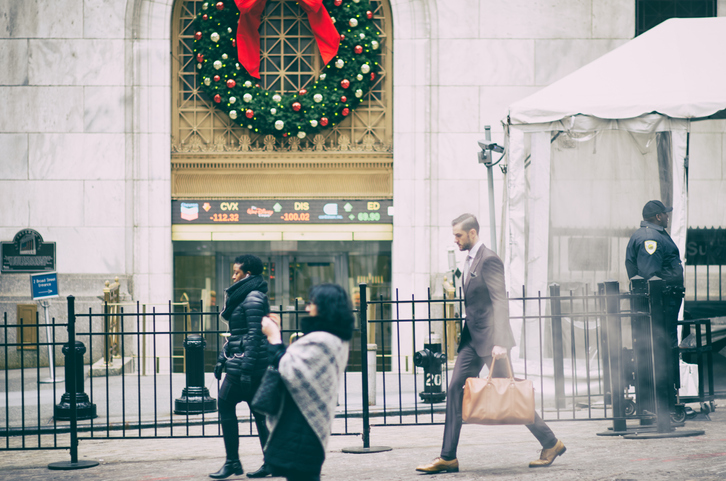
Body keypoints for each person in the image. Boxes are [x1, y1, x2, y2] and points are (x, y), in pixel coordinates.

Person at [416, 214, 565, 474]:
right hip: (471, 340)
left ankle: (550, 442)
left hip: (489, 342)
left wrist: (501, 342)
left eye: (459, 235)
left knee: (512, 394)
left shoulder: (490, 259)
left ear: (472, 233)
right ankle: (448, 457)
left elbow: (500, 301)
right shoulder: (469, 260)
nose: (455, 239)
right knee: (454, 389)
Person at [260, 284, 353, 481]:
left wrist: (274, 336)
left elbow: (288, 368)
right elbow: (296, 362)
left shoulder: (323, 339)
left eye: (312, 303)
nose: (307, 308)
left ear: (325, 306)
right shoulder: (334, 338)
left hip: (303, 422)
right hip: (304, 419)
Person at [211, 254, 272, 479]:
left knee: (226, 404)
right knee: (258, 414)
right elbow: (237, 335)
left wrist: (246, 369)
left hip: (248, 367)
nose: (233, 276)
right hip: (244, 365)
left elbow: (256, 336)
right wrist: (222, 358)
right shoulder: (245, 297)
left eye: (237, 272)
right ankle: (269, 462)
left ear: (248, 274)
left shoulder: (253, 297)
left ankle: (233, 463)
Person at [625, 200, 685, 406]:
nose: (668, 216)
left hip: (664, 301)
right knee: (662, 346)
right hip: (662, 303)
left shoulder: (651, 234)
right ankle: (663, 398)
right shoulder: (650, 238)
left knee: (661, 345)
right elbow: (651, 276)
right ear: (658, 216)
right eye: (665, 214)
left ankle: (662, 396)